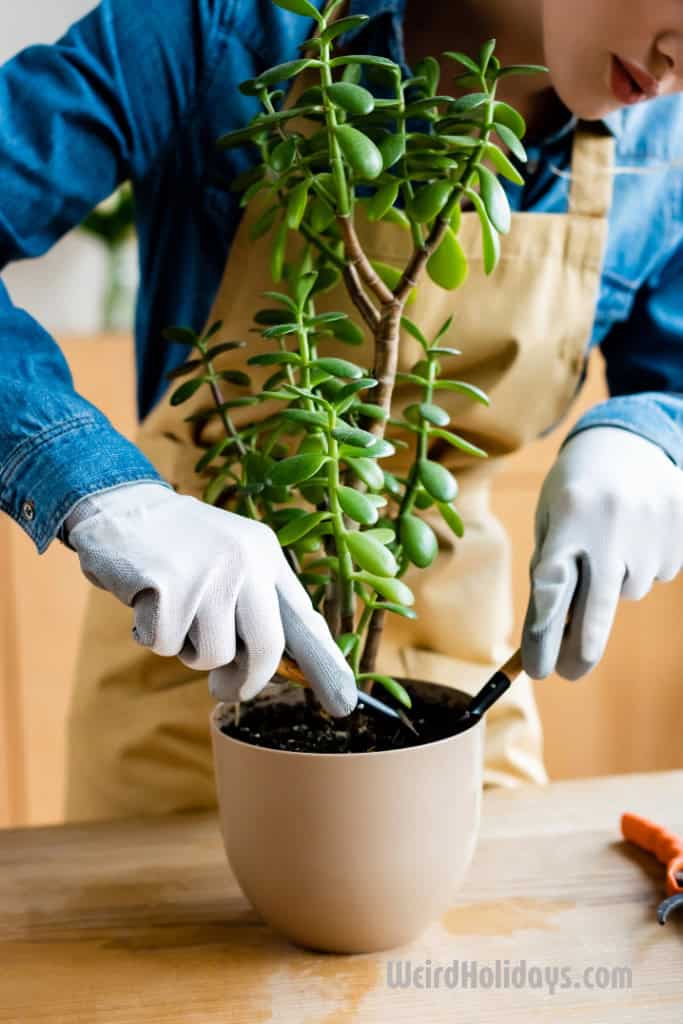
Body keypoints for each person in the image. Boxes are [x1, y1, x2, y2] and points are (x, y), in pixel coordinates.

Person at [1, 0, 682, 821]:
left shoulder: (666, 145)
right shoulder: (218, 29)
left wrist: (647, 434)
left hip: (459, 705)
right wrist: (103, 490)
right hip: (193, 689)